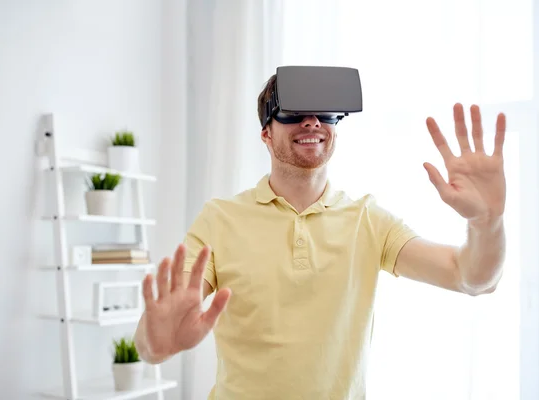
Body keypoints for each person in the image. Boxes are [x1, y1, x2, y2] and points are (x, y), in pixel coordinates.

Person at [133, 73, 507, 399]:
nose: (311, 122)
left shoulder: (368, 220)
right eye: (294, 112)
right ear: (266, 132)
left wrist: (488, 222)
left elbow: (469, 276)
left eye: (324, 113)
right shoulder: (219, 218)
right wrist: (156, 344)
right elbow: (159, 332)